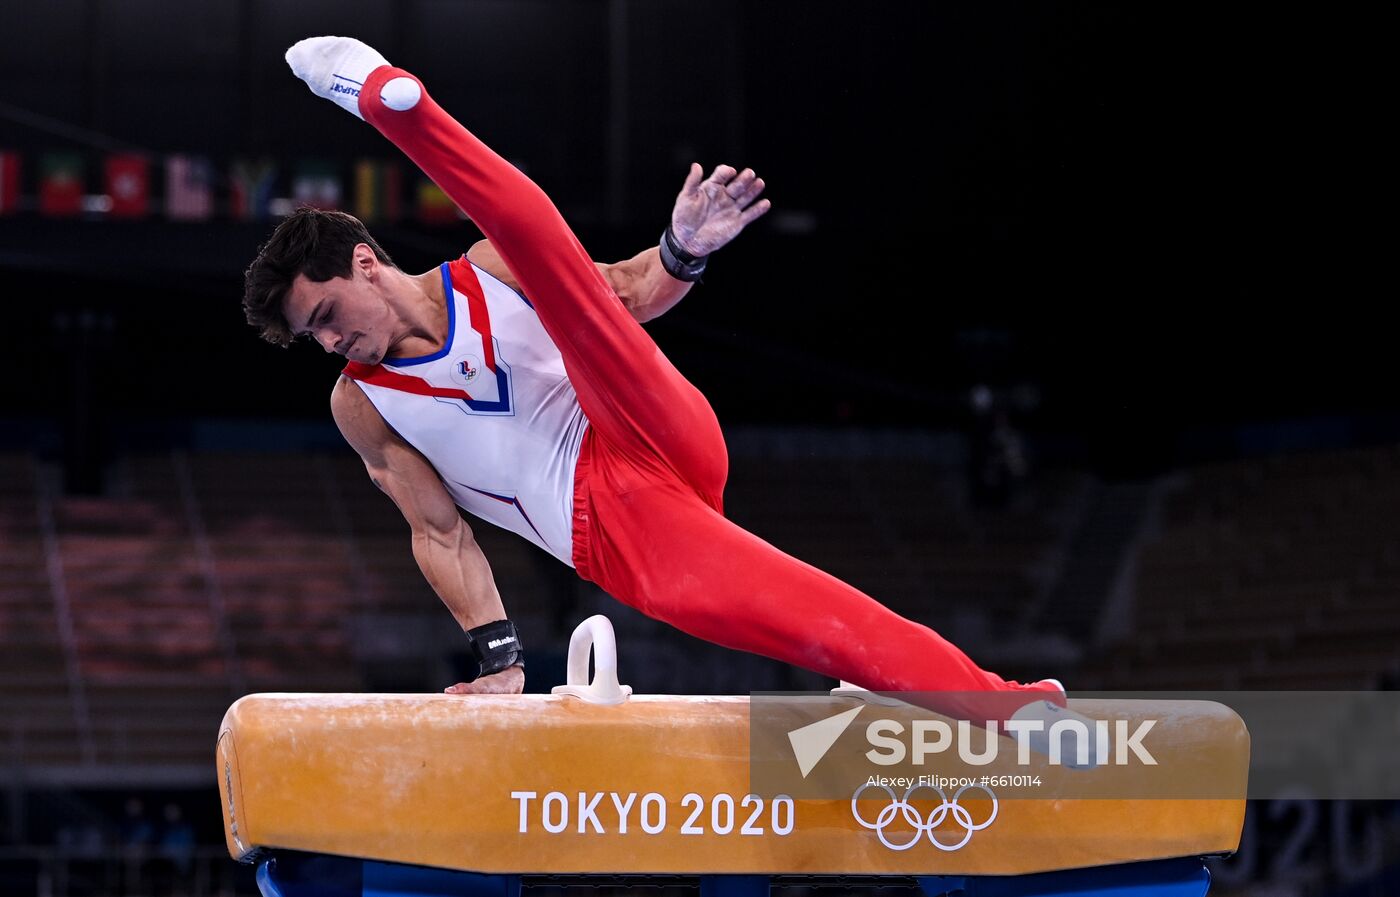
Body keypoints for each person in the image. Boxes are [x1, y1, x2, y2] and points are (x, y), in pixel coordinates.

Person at [242, 37, 1065, 728]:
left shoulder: (487, 273)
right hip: (616, 525)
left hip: (639, 418)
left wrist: (681, 248)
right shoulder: (363, 404)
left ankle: (398, 109)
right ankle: (1010, 709)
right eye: (313, 334)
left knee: (543, 259)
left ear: (362, 262)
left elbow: (631, 298)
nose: (328, 339)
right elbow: (440, 534)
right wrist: (497, 656)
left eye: (324, 314)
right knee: (822, 616)